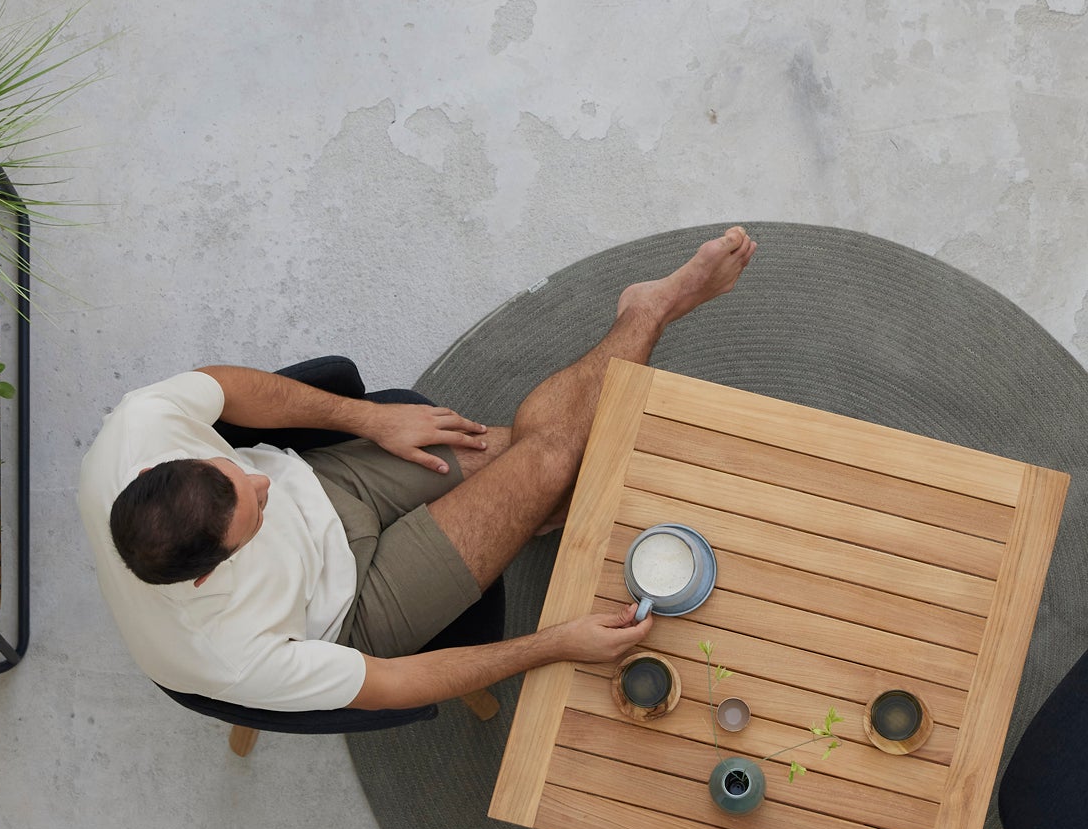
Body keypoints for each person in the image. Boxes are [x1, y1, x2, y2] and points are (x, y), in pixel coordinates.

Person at [78, 227, 758, 713]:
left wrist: (368, 419)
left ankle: (642, 317)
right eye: (254, 510)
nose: (260, 485)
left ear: (160, 467)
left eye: (232, 471)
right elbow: (395, 684)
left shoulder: (136, 431)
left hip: (327, 483)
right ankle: (649, 311)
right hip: (353, 606)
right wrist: (554, 643)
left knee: (549, 461)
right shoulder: (226, 654)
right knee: (553, 458)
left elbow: (228, 389)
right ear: (211, 572)